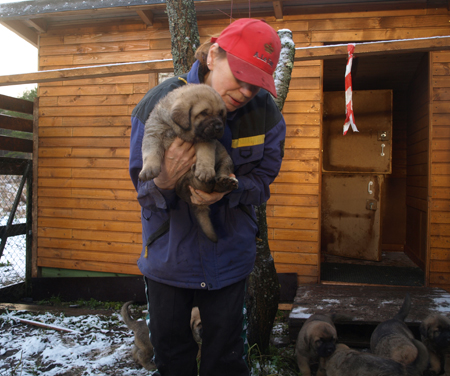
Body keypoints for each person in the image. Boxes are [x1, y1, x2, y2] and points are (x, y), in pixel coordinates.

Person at [129, 18, 286, 376]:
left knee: (226, 363)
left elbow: (262, 182)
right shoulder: (161, 101)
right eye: (241, 75)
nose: (247, 91)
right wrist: (165, 180)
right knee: (172, 361)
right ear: (214, 54)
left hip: (229, 261)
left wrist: (228, 192)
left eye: (257, 82)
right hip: (169, 260)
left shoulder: (265, 114)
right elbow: (141, 185)